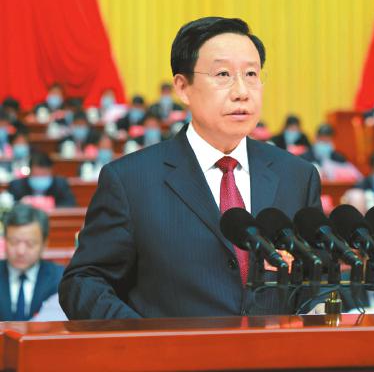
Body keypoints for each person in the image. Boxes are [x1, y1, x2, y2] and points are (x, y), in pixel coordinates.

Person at [59, 16, 322, 319]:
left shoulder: (297, 176)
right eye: (223, 74)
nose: (242, 91)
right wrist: (145, 338)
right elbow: (83, 282)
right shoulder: (130, 181)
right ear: (183, 88)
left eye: (251, 74)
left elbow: (314, 280)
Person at [0, 204, 64, 321]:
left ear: (44, 244)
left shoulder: (60, 278)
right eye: (13, 242)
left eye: (30, 243)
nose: (21, 251)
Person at [8, 151, 76, 207]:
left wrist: (49, 204)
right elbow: (8, 205)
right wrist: (21, 204)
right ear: (29, 173)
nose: (40, 177)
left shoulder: (60, 184)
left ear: (51, 171)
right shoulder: (17, 185)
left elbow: (70, 205)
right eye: (36, 175)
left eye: (44, 174)